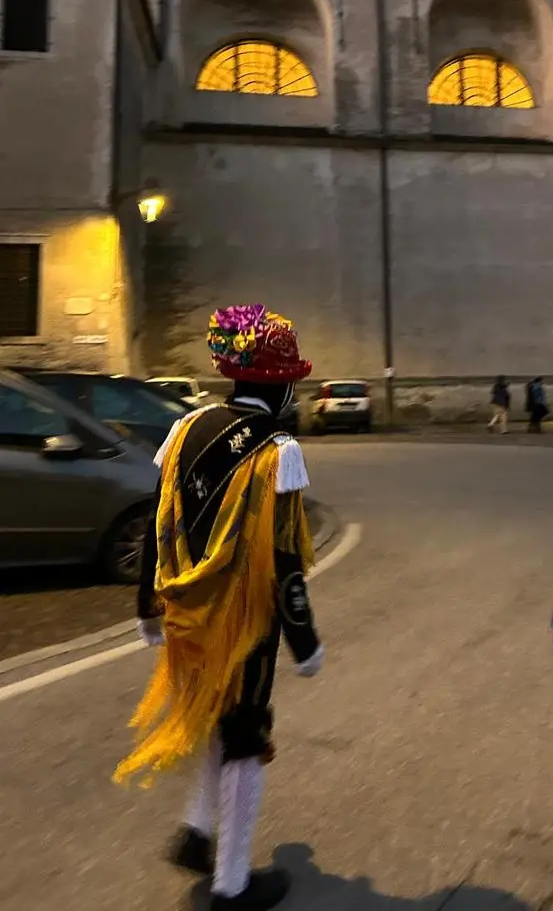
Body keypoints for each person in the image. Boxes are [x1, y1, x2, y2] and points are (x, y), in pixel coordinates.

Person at [117, 304, 324, 911]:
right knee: (245, 736)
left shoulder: (185, 429)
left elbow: (161, 526)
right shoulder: (277, 450)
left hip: (184, 613)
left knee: (213, 717)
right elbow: (284, 563)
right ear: (279, 383)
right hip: (243, 621)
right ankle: (232, 886)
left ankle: (197, 833)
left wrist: (146, 608)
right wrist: (305, 641)